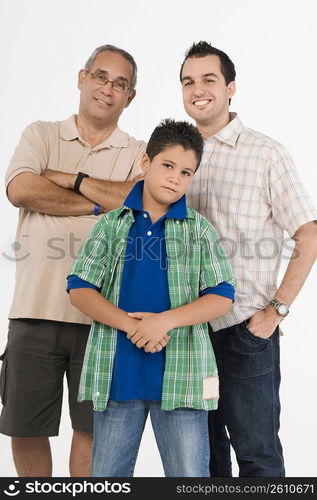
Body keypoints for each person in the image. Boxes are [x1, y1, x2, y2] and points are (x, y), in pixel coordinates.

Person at [0, 44, 146, 477]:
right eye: (100, 77)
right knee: (25, 427)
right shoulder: (41, 133)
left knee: (93, 428)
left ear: (130, 97)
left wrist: (71, 180)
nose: (108, 89)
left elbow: (137, 199)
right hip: (34, 310)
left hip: (103, 318)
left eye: (120, 84)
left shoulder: (138, 149)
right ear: (82, 79)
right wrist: (96, 204)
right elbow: (21, 190)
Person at [67, 118, 236, 477]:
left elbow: (222, 296)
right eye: (168, 166)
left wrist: (165, 321)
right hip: (117, 375)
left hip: (183, 377)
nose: (176, 178)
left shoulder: (199, 230)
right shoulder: (111, 225)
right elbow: (80, 288)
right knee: (108, 478)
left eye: (187, 172)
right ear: (146, 163)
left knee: (189, 477)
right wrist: (131, 325)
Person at [180, 41, 317, 477]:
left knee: (257, 457)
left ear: (231, 87)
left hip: (245, 332)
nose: (198, 89)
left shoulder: (265, 153)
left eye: (209, 79)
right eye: (188, 81)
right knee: (203, 459)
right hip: (188, 334)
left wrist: (274, 311)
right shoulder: (175, 157)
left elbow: (308, 234)